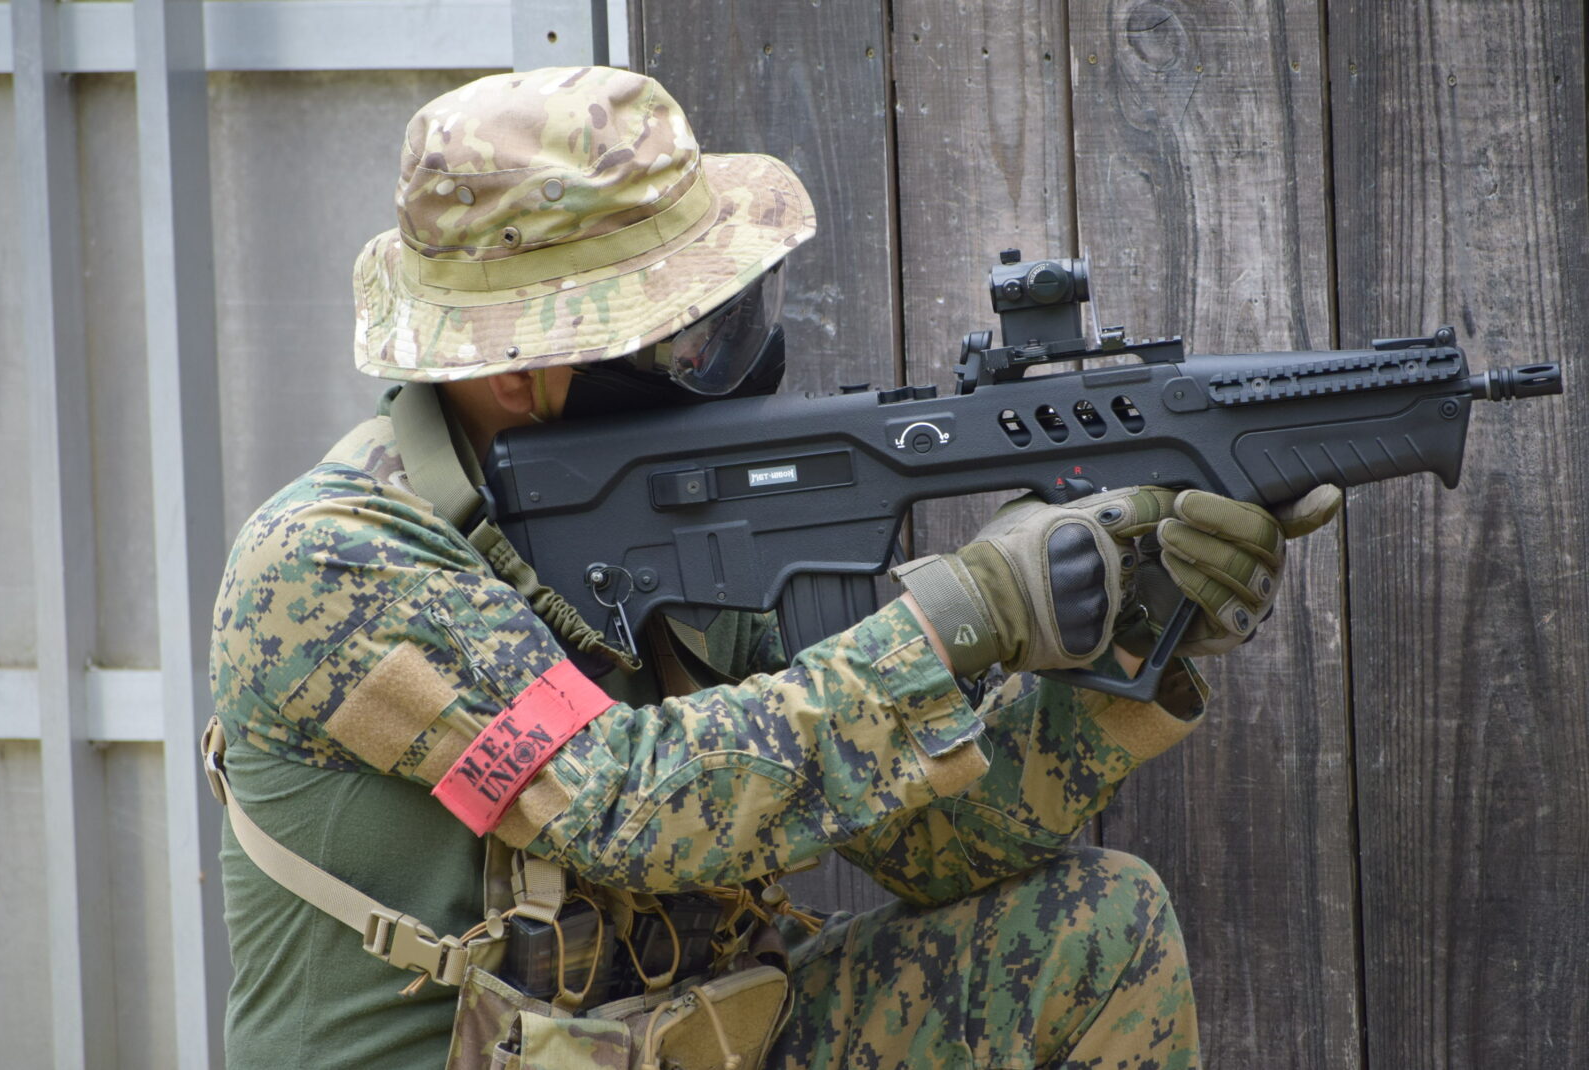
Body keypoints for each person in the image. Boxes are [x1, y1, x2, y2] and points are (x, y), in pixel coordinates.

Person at [205, 66, 1340, 1069]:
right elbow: (626, 803)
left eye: (731, 312)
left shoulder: (653, 528)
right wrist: (965, 611)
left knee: (1094, 929)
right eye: (687, 333)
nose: (734, 357)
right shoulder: (333, 565)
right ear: (518, 370)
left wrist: (1140, 620)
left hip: (689, 1038)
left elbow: (935, 848)